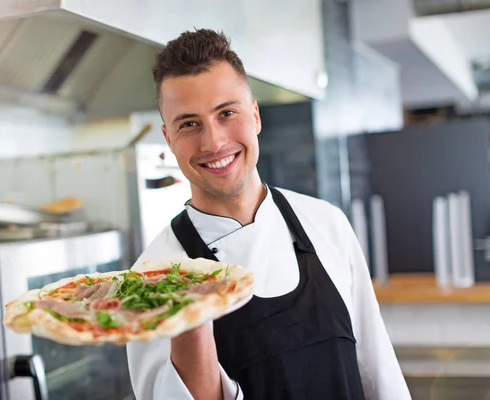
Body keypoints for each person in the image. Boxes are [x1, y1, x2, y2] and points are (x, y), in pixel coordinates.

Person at [126, 29, 411, 400]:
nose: (213, 142)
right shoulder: (151, 279)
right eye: (189, 124)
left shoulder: (325, 222)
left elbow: (378, 371)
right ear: (169, 139)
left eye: (227, 113)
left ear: (255, 116)